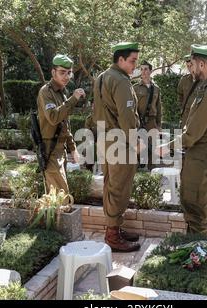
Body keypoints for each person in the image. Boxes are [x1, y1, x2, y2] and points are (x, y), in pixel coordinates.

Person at [157, 44, 207, 235]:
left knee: (195, 206)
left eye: (193, 63)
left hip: (201, 154)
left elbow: (192, 134)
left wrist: (167, 147)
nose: (191, 68)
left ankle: (196, 252)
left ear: (202, 64)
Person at [93, 42, 142, 252]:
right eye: (132, 61)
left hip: (105, 139)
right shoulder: (121, 81)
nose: (135, 66)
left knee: (110, 186)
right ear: (120, 60)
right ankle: (113, 235)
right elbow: (127, 117)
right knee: (119, 188)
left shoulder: (102, 77)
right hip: (121, 142)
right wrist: (135, 142)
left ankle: (114, 228)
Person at [36, 54, 86, 194]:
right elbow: (54, 117)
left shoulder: (62, 93)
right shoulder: (46, 92)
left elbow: (64, 125)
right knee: (61, 196)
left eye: (69, 73)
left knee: (56, 199)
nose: (66, 76)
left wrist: (73, 149)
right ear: (53, 72)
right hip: (50, 150)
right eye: (62, 72)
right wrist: (73, 99)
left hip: (60, 150)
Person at [133, 60, 162, 170]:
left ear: (150, 71)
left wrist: (158, 125)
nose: (143, 71)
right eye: (141, 69)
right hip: (139, 121)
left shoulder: (156, 89)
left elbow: (159, 108)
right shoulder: (135, 88)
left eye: (146, 69)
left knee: (152, 148)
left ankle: (152, 172)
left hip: (151, 122)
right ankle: (135, 172)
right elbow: (132, 107)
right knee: (138, 147)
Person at [177, 54, 200, 128]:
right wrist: (182, 107)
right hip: (186, 115)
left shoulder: (203, 80)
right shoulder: (184, 80)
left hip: (198, 115)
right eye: (188, 66)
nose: (190, 68)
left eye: (191, 65)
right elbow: (179, 94)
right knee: (182, 137)